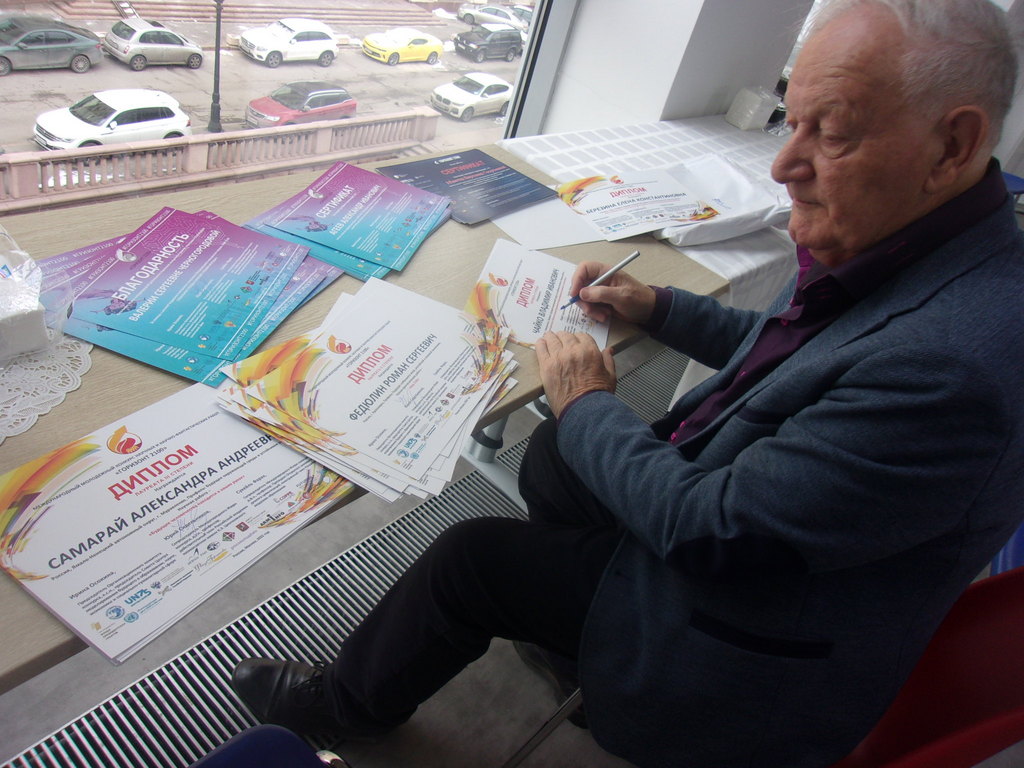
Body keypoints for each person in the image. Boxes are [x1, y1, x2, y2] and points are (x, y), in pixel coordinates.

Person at [230, 0, 1024, 765]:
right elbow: (790, 355)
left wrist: (586, 400)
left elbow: (713, 533)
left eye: (835, 134)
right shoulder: (913, 246)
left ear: (951, 145)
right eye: (793, 121)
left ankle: (344, 709)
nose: (785, 166)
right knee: (555, 454)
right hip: (751, 528)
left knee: (471, 558)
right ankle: (575, 639)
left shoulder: (954, 369)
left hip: (738, 632)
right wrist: (660, 307)